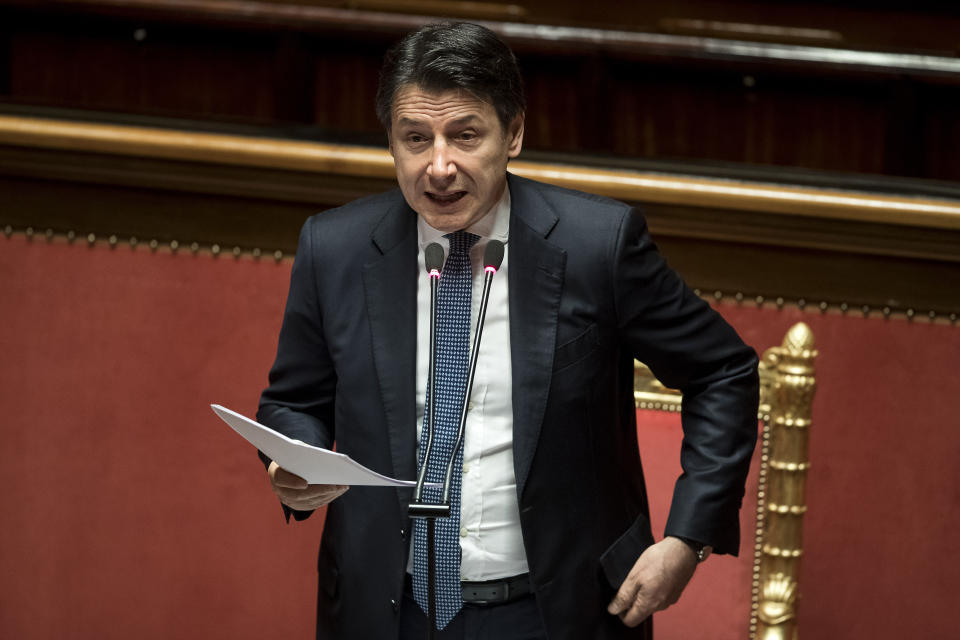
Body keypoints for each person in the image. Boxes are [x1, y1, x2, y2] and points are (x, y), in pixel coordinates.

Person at [257, 22, 758, 640]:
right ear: (390, 142)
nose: (438, 167)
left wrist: (688, 538)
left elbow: (723, 371)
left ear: (513, 133)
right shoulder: (333, 248)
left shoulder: (596, 245)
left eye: (465, 135)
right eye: (416, 139)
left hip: (555, 611)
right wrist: (291, 464)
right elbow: (291, 401)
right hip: (385, 607)